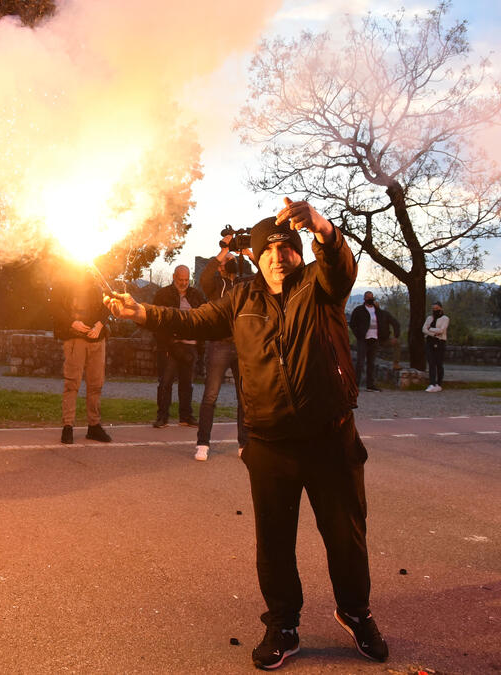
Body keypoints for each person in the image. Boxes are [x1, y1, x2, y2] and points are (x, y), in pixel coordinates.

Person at [104, 198, 388, 670]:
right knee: (274, 541)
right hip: (270, 442)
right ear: (255, 257)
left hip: (330, 437)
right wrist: (141, 313)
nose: (279, 256)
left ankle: (356, 613)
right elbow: (192, 320)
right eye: (269, 249)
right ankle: (283, 623)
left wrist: (323, 228)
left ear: (300, 253)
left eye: (288, 248)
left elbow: (339, 264)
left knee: (346, 536)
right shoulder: (241, 299)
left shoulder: (320, 286)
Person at [194, 242, 248, 461]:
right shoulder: (215, 284)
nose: (231, 261)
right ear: (220, 266)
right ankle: (202, 443)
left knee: (245, 397)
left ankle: (244, 443)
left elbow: (265, 276)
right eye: (228, 261)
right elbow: (204, 276)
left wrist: (249, 253)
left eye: (233, 259)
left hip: (243, 343)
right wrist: (224, 250)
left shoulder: (245, 283)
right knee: (211, 395)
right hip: (220, 343)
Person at [52, 265, 112, 444]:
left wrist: (100, 324)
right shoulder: (62, 280)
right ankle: (67, 426)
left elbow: (108, 303)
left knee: (96, 384)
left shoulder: (97, 280)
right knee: (72, 383)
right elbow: (54, 307)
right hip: (74, 338)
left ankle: (94, 426)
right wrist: (72, 322)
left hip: (97, 339)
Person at [151, 265, 205, 428]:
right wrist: (168, 341)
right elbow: (156, 321)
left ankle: (186, 416)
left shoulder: (196, 295)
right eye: (180, 279)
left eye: (186, 280)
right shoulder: (163, 295)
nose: (183, 283)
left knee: (187, 384)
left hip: (190, 346)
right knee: (165, 382)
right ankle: (162, 417)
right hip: (170, 346)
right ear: (174, 277)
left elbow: (204, 318)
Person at [349, 292, 400, 391]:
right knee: (360, 363)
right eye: (368, 297)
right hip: (363, 340)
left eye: (371, 297)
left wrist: (395, 336)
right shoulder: (359, 310)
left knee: (371, 363)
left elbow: (394, 322)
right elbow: (352, 324)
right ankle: (355, 385)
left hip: (375, 339)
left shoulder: (379, 312)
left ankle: (370, 385)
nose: (370, 299)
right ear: (364, 298)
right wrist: (358, 334)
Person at [422, 302, 449, 393]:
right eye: (433, 309)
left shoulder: (445, 319)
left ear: (441, 308)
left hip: (440, 342)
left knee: (439, 363)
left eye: (436, 308)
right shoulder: (429, 318)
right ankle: (432, 383)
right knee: (431, 363)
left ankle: (439, 383)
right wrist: (433, 333)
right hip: (430, 342)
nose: (435, 310)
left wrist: (430, 329)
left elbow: (441, 330)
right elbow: (424, 329)